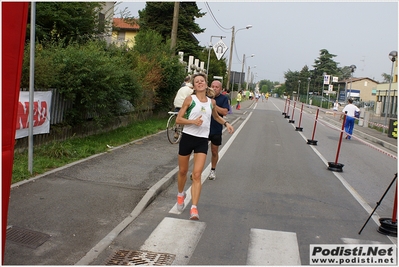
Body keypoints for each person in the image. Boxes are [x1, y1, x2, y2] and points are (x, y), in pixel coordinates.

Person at [175, 73, 234, 220]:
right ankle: (181, 194)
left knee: (197, 174)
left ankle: (194, 208)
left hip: (202, 140)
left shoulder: (211, 102)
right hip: (188, 138)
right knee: (182, 171)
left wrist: (226, 123)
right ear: (194, 86)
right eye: (197, 82)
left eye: (202, 81)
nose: (200, 83)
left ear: (206, 84)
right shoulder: (190, 99)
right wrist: (193, 122)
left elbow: (216, 117)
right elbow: (178, 119)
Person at [207, 80, 230, 180]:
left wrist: (214, 106)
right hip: (204, 128)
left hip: (216, 128)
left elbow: (225, 112)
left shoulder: (223, 98)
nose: (214, 88)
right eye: (213, 86)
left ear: (220, 89)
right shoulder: (205, 97)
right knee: (200, 151)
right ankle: (196, 170)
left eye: (217, 87)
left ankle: (213, 170)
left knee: (214, 151)